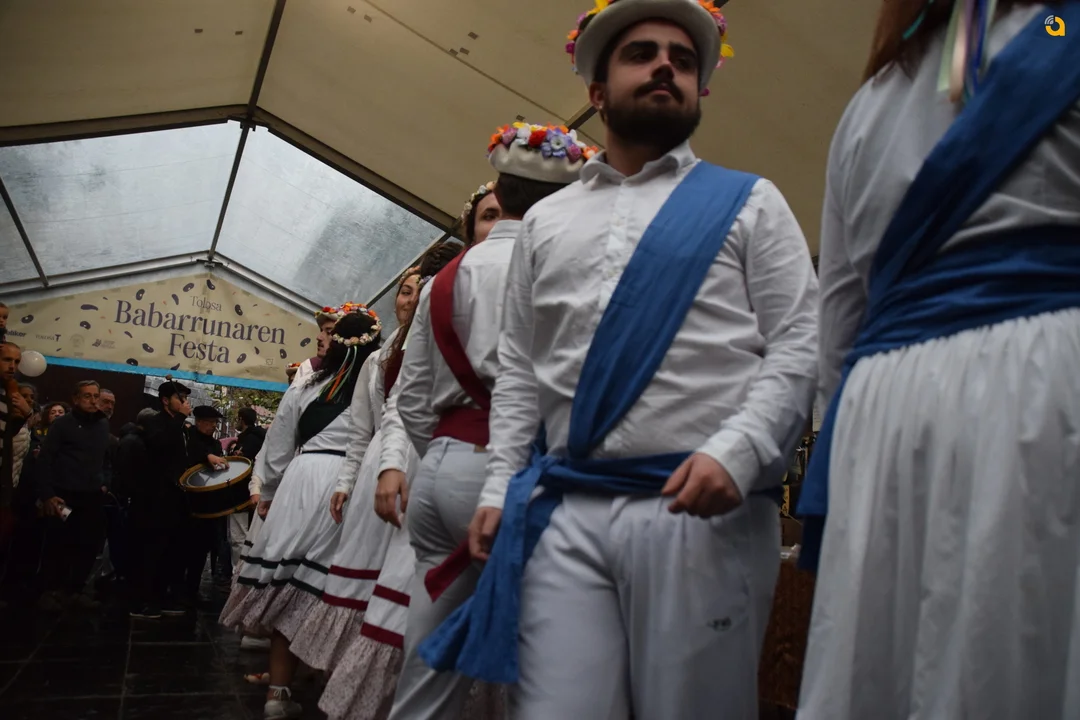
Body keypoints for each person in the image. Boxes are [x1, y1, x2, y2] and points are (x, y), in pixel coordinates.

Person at [421, 2, 819, 718]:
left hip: (703, 514)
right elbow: (520, 372)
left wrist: (740, 450)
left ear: (700, 88)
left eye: (683, 59)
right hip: (566, 512)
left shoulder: (752, 203)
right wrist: (499, 488)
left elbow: (800, 342)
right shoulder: (546, 222)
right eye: (642, 53)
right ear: (597, 92)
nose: (666, 65)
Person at [795, 2, 1080, 719]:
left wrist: (843, 447)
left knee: (890, 661)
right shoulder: (1064, 33)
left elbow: (839, 316)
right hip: (1045, 383)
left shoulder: (868, 103)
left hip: (883, 415)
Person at [386, 122, 592, 720]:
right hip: (516, 476)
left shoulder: (443, 278)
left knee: (427, 669)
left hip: (441, 474)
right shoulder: (558, 266)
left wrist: (447, 451)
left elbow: (411, 397)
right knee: (542, 666)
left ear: (500, 190)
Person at [316, 242, 478, 720]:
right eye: (405, 290)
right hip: (392, 462)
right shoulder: (383, 356)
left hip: (445, 461)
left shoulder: (471, 315)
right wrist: (359, 476)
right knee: (382, 586)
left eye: (418, 288)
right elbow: (376, 420)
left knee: (421, 589)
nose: (411, 297)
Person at [221, 308, 383, 720]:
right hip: (352, 483)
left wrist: (270, 492)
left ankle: (278, 693)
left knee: (288, 582)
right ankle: (332, 685)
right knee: (336, 587)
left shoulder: (307, 386)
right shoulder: (379, 385)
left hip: (302, 479)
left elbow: (278, 446)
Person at [36, 380, 112, 611]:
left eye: (96, 396)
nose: (92, 400)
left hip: (91, 496)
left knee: (88, 544)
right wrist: (48, 494)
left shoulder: (102, 424)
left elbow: (106, 457)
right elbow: (45, 460)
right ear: (76, 399)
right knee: (58, 543)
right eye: (87, 396)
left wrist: (105, 482)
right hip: (64, 494)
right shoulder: (62, 424)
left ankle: (76, 590)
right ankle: (50, 591)